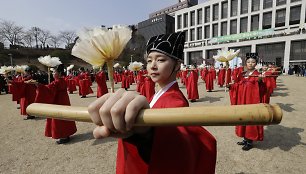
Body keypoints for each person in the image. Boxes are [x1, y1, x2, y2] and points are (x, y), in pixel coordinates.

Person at [88, 32, 216, 174]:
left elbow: (174, 146)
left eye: (160, 60)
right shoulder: (159, 94)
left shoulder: (175, 102)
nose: (153, 66)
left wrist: (145, 136)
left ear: (177, 65)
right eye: (149, 61)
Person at [229, 53, 265, 151]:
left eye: (253, 62)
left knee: (250, 119)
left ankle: (250, 141)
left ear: (256, 63)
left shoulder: (258, 76)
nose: (250, 64)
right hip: (242, 101)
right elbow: (238, 86)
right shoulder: (242, 74)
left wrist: (260, 82)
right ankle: (245, 139)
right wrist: (231, 86)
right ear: (246, 63)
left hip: (251, 102)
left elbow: (262, 91)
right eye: (248, 62)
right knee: (243, 119)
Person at [34, 64, 77, 144]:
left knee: (59, 118)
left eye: (54, 72)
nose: (53, 74)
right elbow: (50, 88)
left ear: (59, 73)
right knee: (65, 117)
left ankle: (63, 136)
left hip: (59, 102)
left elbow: (48, 90)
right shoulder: (62, 80)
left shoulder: (57, 82)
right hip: (64, 101)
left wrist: (38, 85)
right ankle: (66, 134)